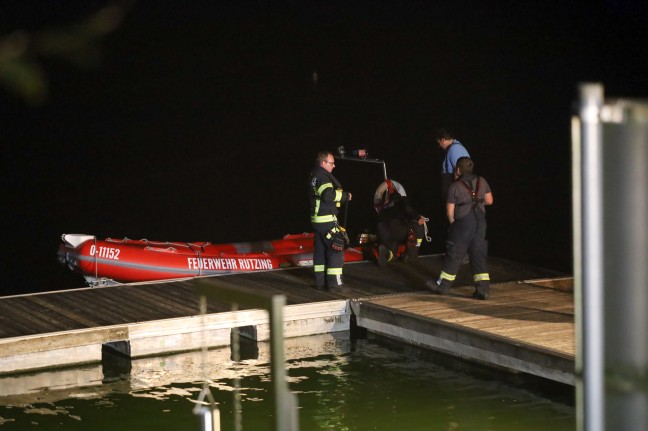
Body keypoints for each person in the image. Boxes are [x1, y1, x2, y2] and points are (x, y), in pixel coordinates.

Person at [426, 157, 493, 299]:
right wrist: (476, 202)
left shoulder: (455, 186)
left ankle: (442, 286)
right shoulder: (482, 181)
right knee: (478, 255)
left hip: (463, 223)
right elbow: (490, 201)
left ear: (457, 169)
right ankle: (483, 290)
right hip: (480, 222)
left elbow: (449, 212)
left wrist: (453, 224)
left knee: (454, 254)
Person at [309, 151, 352, 289]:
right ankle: (335, 284)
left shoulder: (314, 175)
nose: (334, 166)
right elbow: (328, 195)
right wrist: (344, 196)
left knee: (320, 250)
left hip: (317, 220)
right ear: (323, 163)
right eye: (331, 163)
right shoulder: (322, 176)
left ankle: (320, 283)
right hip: (326, 219)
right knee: (336, 248)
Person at [375, 179, 426, 266]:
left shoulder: (385, 206)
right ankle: (410, 256)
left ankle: (389, 254)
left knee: (393, 250)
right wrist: (418, 218)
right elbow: (407, 209)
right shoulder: (402, 199)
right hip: (395, 228)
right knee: (418, 225)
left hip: (381, 232)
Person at [437, 128, 470, 202]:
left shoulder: (455, 148)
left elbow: (460, 171)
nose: (439, 146)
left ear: (443, 140)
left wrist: (457, 192)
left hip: (455, 189)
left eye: (439, 143)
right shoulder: (454, 147)